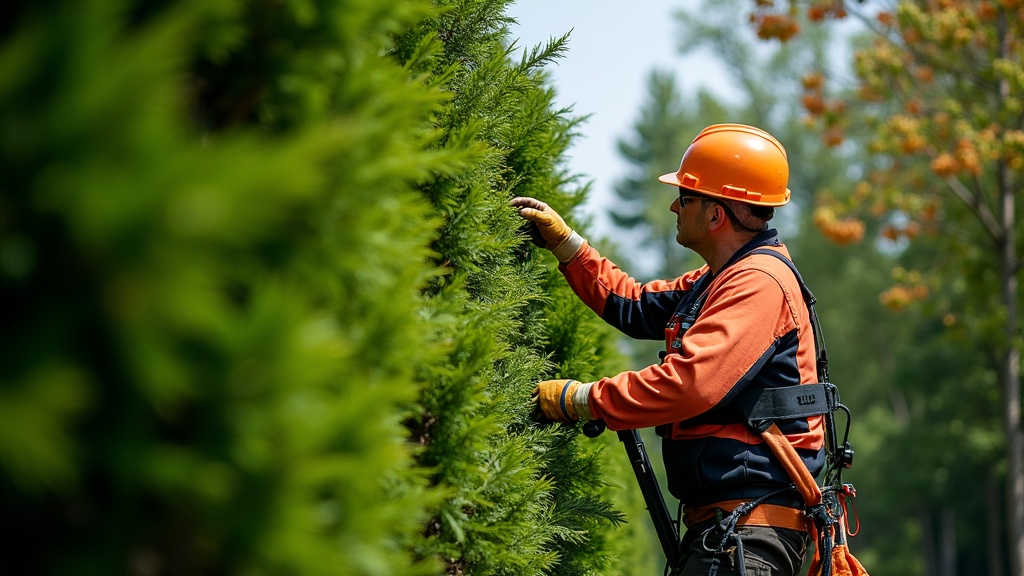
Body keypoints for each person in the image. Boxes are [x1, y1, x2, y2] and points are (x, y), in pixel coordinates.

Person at [512, 123, 825, 576]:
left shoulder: (757, 283)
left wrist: (582, 400)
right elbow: (635, 306)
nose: (675, 205)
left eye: (687, 196)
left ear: (717, 215)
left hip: (748, 533)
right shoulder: (718, 280)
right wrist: (567, 245)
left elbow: (690, 383)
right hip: (731, 529)